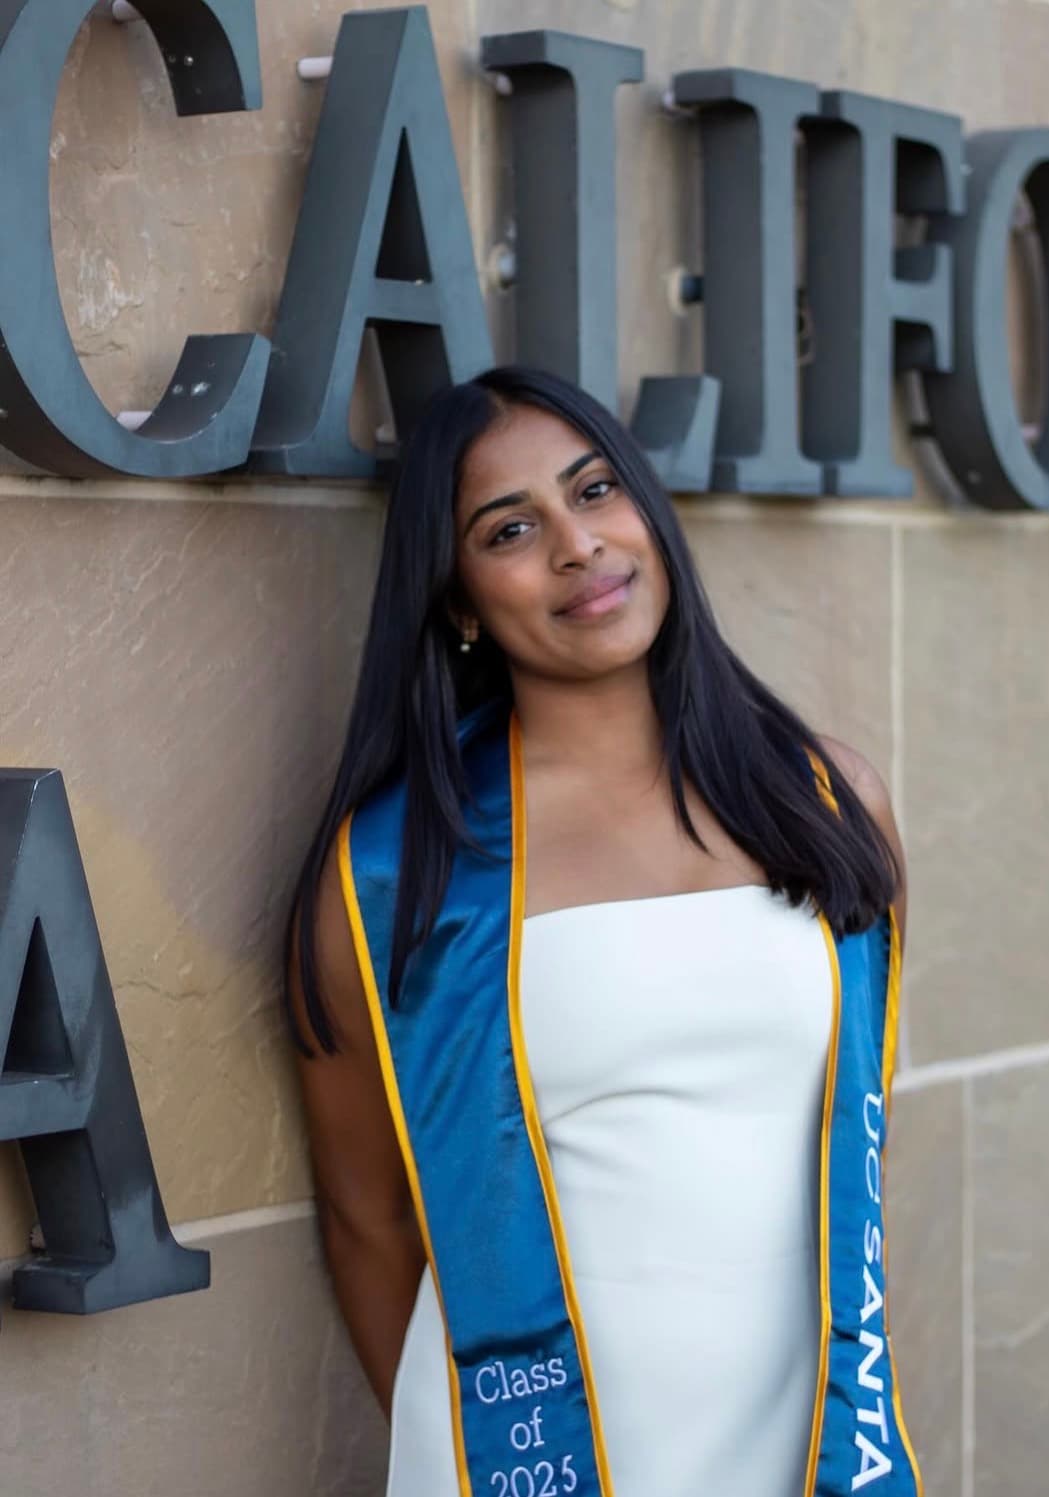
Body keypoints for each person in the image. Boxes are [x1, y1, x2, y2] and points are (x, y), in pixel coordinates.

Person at [284, 366, 923, 1497]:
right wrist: (469, 1443)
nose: (577, 547)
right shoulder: (396, 875)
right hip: (535, 1455)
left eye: (595, 492)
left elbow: (854, 1129)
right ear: (459, 600)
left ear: (649, 513)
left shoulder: (826, 804)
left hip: (806, 1433)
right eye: (512, 527)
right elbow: (368, 1216)